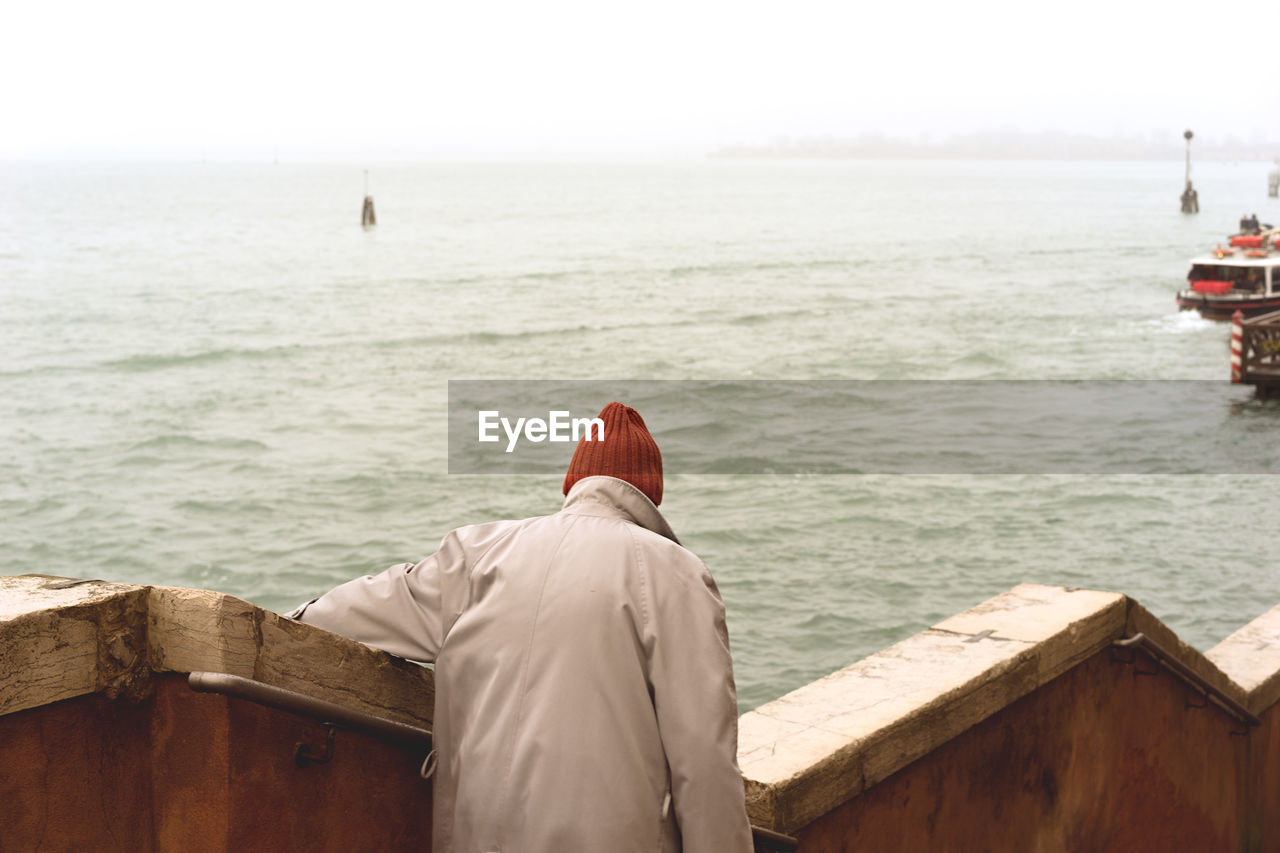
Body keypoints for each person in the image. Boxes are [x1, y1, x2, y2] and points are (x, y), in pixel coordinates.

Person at [289, 402, 754, 853]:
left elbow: (350, 613)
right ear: (651, 494)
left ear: (572, 482)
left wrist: (288, 620)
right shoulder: (676, 574)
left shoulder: (479, 551)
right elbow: (704, 762)